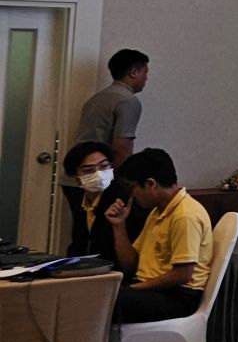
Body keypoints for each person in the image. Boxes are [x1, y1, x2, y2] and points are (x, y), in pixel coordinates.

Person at [101, 148, 214, 323]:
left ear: (151, 184)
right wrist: (119, 226)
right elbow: (130, 265)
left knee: (103, 301)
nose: (131, 195)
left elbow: (183, 275)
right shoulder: (157, 211)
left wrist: (134, 288)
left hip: (178, 295)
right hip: (153, 289)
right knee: (93, 292)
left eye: (132, 188)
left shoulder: (185, 215)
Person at [67, 49, 150, 236]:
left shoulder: (97, 98)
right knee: (103, 235)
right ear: (133, 72)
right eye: (145, 72)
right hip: (98, 178)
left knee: (82, 233)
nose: (146, 78)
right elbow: (121, 147)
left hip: (78, 175)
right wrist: (122, 182)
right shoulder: (128, 101)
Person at [61, 141, 142, 261]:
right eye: (88, 170)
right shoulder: (81, 201)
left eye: (104, 166)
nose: (98, 174)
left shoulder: (121, 199)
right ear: (75, 177)